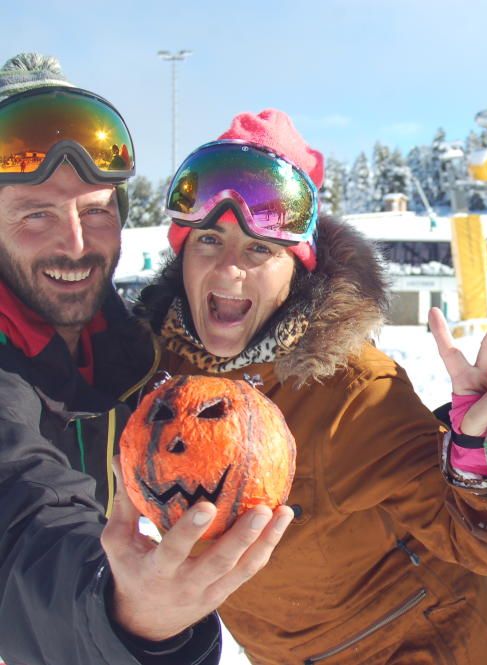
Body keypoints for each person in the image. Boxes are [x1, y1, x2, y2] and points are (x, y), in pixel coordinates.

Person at [136, 109, 487, 665]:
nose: (228, 272)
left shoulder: (351, 391)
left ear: (297, 268)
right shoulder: (160, 378)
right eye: (209, 241)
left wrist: (475, 460)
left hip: (423, 647)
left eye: (259, 250)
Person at [0, 53, 292, 665]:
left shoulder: (140, 350)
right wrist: (119, 611)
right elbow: (20, 517)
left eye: (96, 210)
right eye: (36, 214)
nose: (76, 245)